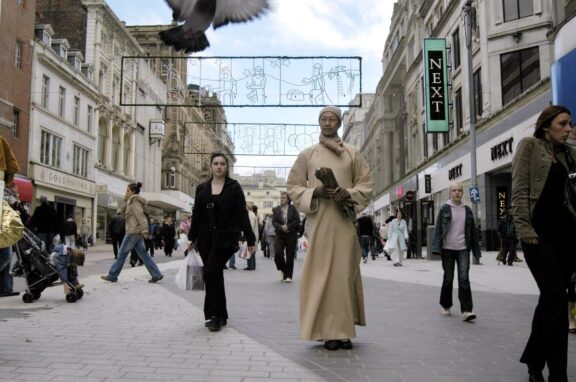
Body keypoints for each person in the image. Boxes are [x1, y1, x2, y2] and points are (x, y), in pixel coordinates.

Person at [287, 106, 373, 351]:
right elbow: (293, 186)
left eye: (332, 119)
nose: (327, 123)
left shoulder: (353, 154)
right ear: (319, 122)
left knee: (343, 276)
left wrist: (348, 193)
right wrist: (316, 192)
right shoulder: (308, 155)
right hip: (319, 223)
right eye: (323, 119)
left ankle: (343, 331)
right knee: (321, 277)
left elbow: (366, 185)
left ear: (338, 124)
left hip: (344, 224)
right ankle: (326, 332)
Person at [511, 105, 576, 382]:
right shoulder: (530, 146)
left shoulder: (571, 155)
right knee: (557, 301)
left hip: (567, 240)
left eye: (570, 124)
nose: (568, 129)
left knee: (550, 301)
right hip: (537, 237)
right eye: (563, 124)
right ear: (546, 125)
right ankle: (557, 375)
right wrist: (524, 229)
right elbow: (519, 191)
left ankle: (534, 360)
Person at [187, 153, 255, 332]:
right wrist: (191, 238)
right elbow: (197, 214)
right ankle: (220, 314)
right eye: (215, 163)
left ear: (227, 167)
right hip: (204, 239)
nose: (219, 166)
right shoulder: (202, 188)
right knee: (213, 274)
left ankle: (215, 316)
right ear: (211, 166)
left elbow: (242, 213)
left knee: (211, 271)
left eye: (222, 164)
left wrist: (250, 239)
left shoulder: (234, 187)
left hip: (225, 238)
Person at [432, 181, 481, 322]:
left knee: (464, 279)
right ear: (450, 193)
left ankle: (467, 310)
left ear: (462, 192)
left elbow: (473, 232)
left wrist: (476, 251)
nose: (457, 193)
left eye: (459, 190)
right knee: (448, 279)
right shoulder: (444, 209)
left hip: (463, 249)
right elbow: (437, 230)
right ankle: (446, 305)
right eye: (454, 190)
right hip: (447, 249)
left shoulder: (467, 210)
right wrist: (436, 248)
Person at [101, 182, 163, 283]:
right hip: (136, 232)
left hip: (133, 232)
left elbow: (141, 217)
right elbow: (120, 212)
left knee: (121, 254)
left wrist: (145, 231)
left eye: (128, 191)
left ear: (133, 192)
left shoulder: (135, 202)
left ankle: (112, 275)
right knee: (143, 254)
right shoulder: (131, 201)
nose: (126, 192)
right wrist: (125, 200)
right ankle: (156, 274)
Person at [272, 192, 300, 282]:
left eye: (283, 198)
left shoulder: (293, 209)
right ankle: (283, 269)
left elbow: (297, 220)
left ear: (288, 200)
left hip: (291, 234)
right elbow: (274, 222)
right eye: (280, 197)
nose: (281, 199)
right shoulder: (276, 209)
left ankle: (288, 276)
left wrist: (288, 226)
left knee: (290, 255)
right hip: (280, 234)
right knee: (277, 253)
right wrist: (281, 227)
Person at [245, 204, 259, 271]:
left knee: (250, 250)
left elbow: (250, 226)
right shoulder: (252, 214)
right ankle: (253, 265)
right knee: (252, 251)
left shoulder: (250, 215)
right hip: (254, 235)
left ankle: (250, 266)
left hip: (252, 235)